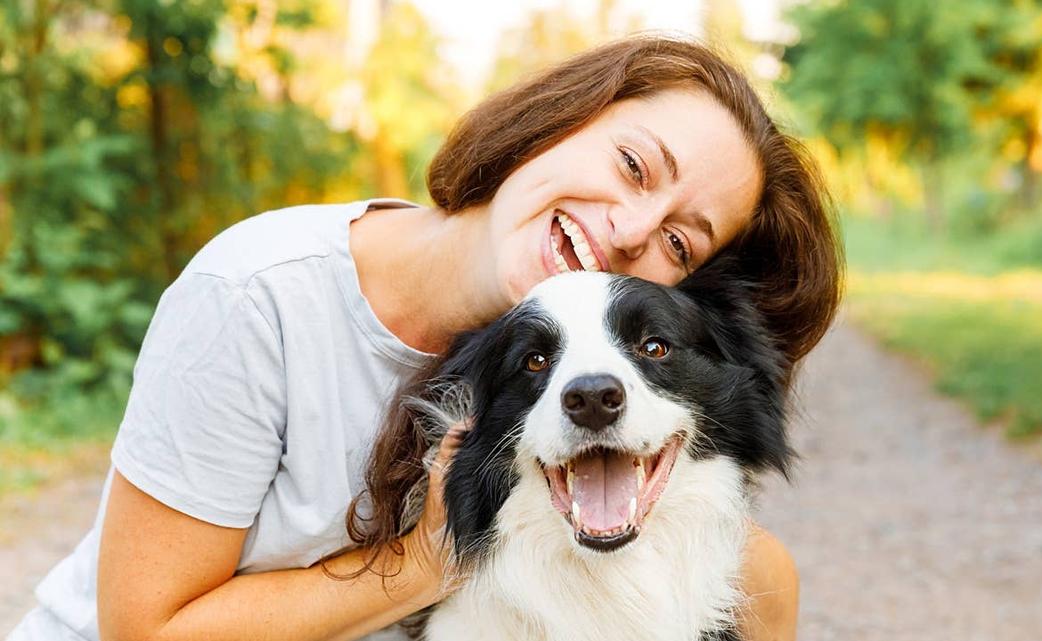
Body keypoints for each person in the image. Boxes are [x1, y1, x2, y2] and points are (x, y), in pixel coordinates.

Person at [8, 35, 841, 641]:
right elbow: (144, 632)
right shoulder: (257, 294)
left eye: (679, 242)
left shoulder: (560, 365)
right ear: (557, 120)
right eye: (632, 165)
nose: (629, 228)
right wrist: (424, 560)